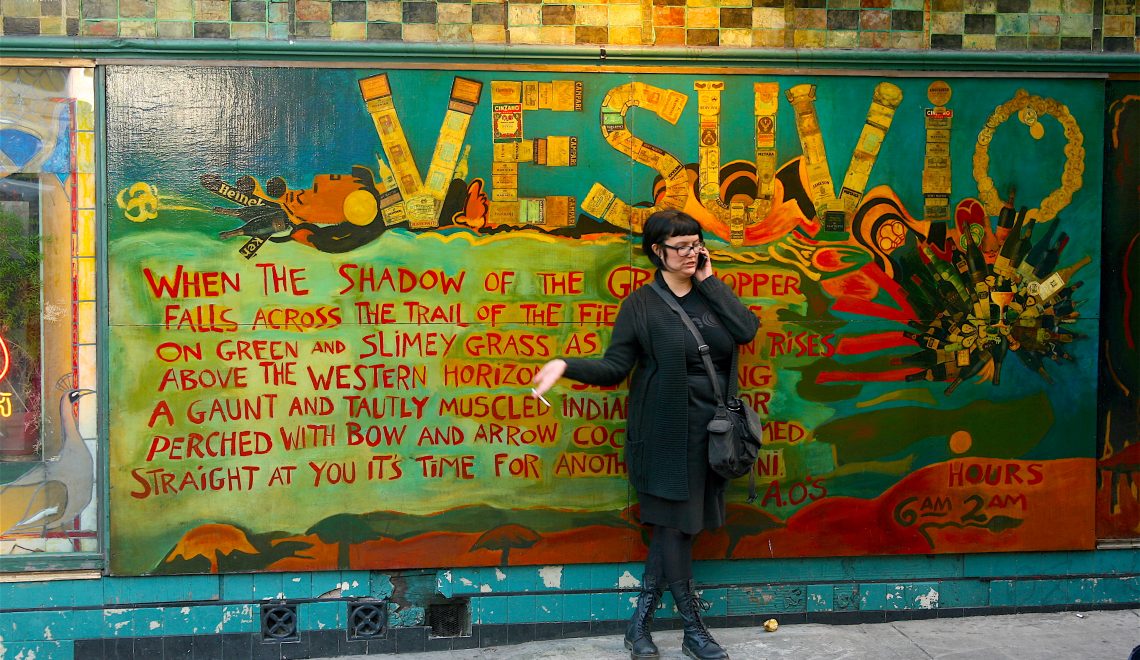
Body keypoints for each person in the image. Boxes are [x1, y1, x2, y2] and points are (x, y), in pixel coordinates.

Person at [532, 209, 760, 660]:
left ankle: (638, 628)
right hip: (663, 437)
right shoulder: (640, 305)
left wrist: (710, 281)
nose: (692, 253)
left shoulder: (710, 295)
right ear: (658, 251)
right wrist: (565, 365)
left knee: (677, 532)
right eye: (681, 246)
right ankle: (695, 633)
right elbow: (616, 368)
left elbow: (746, 330)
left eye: (697, 244)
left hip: (712, 437)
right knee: (676, 528)